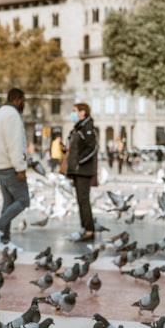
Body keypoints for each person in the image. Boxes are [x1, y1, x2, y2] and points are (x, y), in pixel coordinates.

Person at [0, 88, 28, 252]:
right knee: (23, 200)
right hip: (10, 165)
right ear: (17, 99)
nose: (24, 104)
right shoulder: (12, 115)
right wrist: (20, 167)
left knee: (9, 202)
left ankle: (5, 240)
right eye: (23, 100)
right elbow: (14, 144)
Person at [64, 102, 98, 242]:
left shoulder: (87, 127)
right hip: (77, 170)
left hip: (83, 170)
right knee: (81, 200)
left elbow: (92, 147)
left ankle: (89, 230)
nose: (72, 114)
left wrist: (79, 161)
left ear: (82, 112)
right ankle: (85, 227)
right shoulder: (79, 127)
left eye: (74, 111)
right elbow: (74, 146)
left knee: (84, 200)